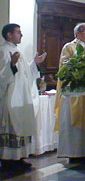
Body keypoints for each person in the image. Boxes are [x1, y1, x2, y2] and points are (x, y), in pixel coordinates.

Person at [0, 23, 46, 170]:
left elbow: (26, 73)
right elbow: (2, 76)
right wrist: (11, 66)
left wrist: (34, 64)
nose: (21, 35)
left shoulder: (18, 51)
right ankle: (8, 159)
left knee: (22, 126)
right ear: (9, 35)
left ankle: (19, 157)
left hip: (22, 97)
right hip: (11, 96)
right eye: (18, 32)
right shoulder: (3, 51)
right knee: (12, 126)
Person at [55, 22, 85, 161]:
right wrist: (80, 65)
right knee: (73, 123)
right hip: (74, 91)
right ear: (78, 33)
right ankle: (74, 153)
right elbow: (65, 66)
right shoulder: (69, 47)